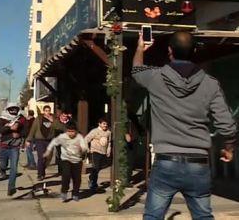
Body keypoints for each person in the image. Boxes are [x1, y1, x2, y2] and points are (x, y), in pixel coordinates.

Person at [132, 31, 237, 219]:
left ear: (170, 50)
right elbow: (227, 124)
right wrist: (229, 147)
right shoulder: (210, 84)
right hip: (198, 164)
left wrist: (141, 48)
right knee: (203, 216)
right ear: (194, 51)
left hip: (166, 162)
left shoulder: (155, 78)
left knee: (153, 216)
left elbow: (136, 70)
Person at [45, 121, 88, 202]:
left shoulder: (79, 137)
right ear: (66, 131)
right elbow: (53, 142)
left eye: (72, 131)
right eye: (69, 131)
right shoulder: (62, 137)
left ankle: (75, 193)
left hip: (77, 160)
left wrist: (82, 149)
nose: (71, 133)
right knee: (66, 175)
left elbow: (84, 147)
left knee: (77, 179)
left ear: (76, 131)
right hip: (66, 159)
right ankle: (64, 191)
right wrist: (48, 151)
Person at [26, 105, 64, 180]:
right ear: (44, 111)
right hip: (40, 140)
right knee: (41, 157)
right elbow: (33, 129)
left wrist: (53, 121)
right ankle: (40, 174)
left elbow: (60, 127)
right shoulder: (39, 119)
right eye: (46, 111)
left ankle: (43, 169)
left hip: (49, 140)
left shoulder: (54, 118)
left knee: (48, 157)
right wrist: (29, 140)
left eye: (48, 110)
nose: (47, 112)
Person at [0, 103, 26, 196]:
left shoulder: (21, 119)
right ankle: (2, 171)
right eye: (11, 109)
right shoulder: (2, 119)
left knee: (14, 168)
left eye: (15, 109)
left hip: (15, 147)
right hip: (4, 145)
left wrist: (19, 135)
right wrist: (9, 128)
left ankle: (11, 187)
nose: (13, 111)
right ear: (7, 110)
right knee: (3, 164)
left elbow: (26, 131)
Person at [84, 117, 112, 191]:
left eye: (106, 124)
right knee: (95, 167)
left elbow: (109, 142)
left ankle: (92, 178)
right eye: (103, 124)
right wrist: (87, 149)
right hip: (95, 151)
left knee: (99, 167)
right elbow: (86, 139)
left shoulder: (108, 132)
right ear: (99, 124)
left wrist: (108, 151)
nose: (105, 125)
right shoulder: (95, 131)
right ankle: (93, 184)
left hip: (103, 152)